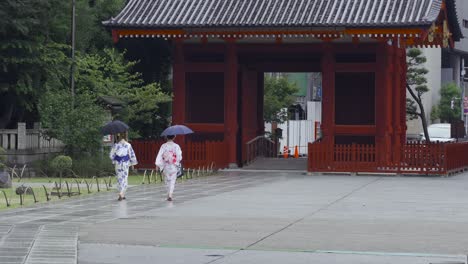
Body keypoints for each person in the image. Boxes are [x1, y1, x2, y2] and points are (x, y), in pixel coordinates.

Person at [109, 132, 137, 201]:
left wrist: (115, 159)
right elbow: (132, 155)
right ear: (125, 137)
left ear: (119, 137)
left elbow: (111, 155)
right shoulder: (128, 145)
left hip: (118, 164)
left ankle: (122, 194)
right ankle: (121, 193)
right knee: (124, 178)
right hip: (125, 163)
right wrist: (133, 164)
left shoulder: (116, 145)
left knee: (119, 178)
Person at [155, 135, 182, 201]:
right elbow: (179, 156)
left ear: (166, 137)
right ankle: (170, 194)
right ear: (174, 137)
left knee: (167, 180)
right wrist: (175, 160)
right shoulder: (176, 146)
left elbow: (160, 155)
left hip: (166, 165)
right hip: (173, 165)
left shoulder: (163, 146)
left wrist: (158, 164)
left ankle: (168, 194)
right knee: (172, 181)